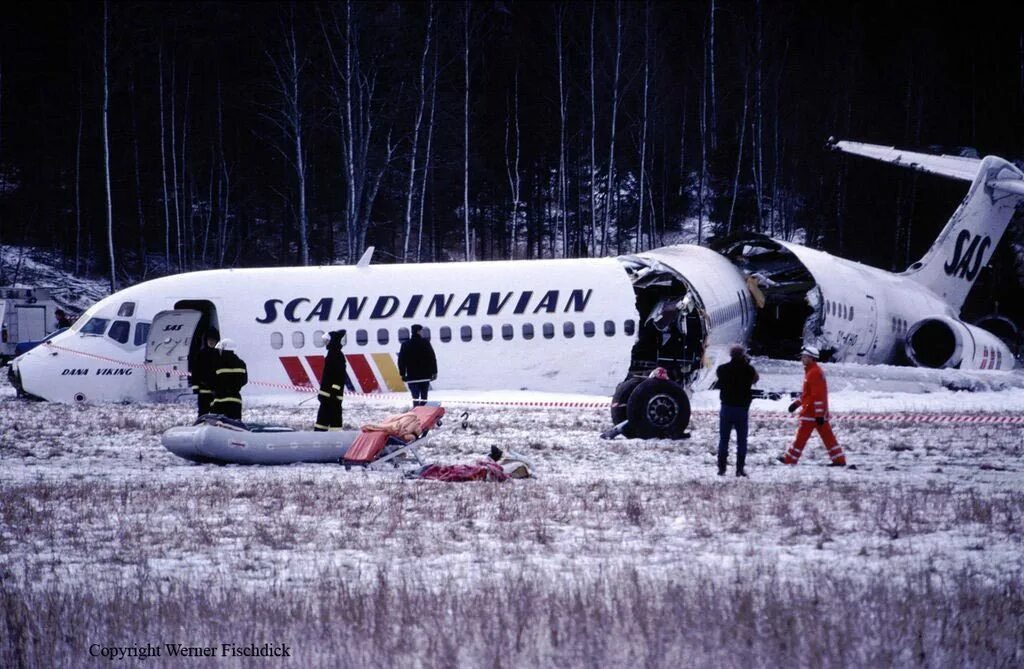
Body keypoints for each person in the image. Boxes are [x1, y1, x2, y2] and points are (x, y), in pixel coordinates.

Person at [778, 345, 847, 466]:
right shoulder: (813, 371)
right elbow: (808, 395)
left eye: (804, 357)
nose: (802, 359)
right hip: (816, 413)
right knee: (828, 437)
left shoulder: (813, 373)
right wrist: (797, 404)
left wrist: (818, 414)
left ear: (811, 358)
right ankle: (839, 460)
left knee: (801, 437)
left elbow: (818, 395)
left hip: (812, 413)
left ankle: (790, 459)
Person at [715, 344, 759, 477]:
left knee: (724, 439)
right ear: (743, 355)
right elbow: (755, 379)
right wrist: (746, 362)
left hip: (726, 407)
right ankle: (739, 469)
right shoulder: (749, 370)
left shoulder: (722, 369)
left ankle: (721, 468)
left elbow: (720, 379)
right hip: (741, 409)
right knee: (742, 441)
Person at [315, 330, 348, 431]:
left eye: (327, 340)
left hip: (332, 395)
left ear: (332, 341)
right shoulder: (332, 354)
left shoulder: (336, 355)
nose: (325, 343)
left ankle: (328, 436)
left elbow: (339, 376)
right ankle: (324, 435)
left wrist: (334, 390)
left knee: (333, 416)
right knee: (328, 416)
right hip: (327, 395)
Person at [398, 324, 437, 407]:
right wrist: (434, 372)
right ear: (419, 331)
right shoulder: (425, 343)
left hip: (412, 378)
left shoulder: (405, 344)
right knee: (424, 399)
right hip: (424, 377)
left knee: (415, 399)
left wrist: (402, 374)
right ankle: (423, 414)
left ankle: (416, 415)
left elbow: (401, 361)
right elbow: (432, 358)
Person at [210, 338, 247, 421]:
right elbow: (245, 381)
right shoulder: (241, 363)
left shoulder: (218, 363)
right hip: (236, 400)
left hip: (220, 400)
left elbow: (212, 381)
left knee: (218, 425)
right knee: (235, 425)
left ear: (223, 349)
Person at [189, 328, 220, 419]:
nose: (211, 342)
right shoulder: (200, 355)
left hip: (216, 392)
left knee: (216, 414)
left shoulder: (220, 354)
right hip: (203, 391)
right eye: (209, 340)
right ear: (206, 340)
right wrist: (195, 387)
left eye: (213, 340)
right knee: (203, 413)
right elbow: (195, 372)